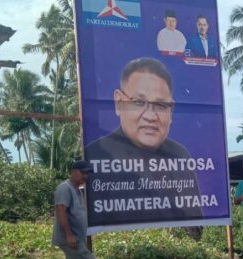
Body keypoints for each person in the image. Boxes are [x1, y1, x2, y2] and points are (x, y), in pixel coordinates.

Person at [85, 58, 201, 225]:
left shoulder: (179, 156)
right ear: (119, 103)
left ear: (171, 110)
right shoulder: (95, 155)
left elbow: (195, 227)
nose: (150, 116)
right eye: (139, 103)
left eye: (161, 105)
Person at [52, 161, 99, 259]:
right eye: (82, 172)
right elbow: (61, 212)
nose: (85, 176)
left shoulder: (76, 189)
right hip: (70, 238)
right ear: (73, 171)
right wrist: (69, 234)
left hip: (75, 237)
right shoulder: (64, 188)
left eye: (87, 174)